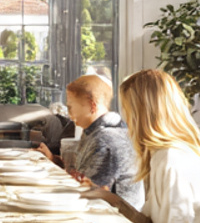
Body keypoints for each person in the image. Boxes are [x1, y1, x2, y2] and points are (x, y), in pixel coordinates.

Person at [82, 69, 200, 223]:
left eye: (128, 110)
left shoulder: (173, 160)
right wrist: (111, 199)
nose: (127, 120)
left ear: (143, 114)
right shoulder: (163, 154)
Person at [37, 73, 143, 211]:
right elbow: (82, 179)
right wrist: (53, 160)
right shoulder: (95, 131)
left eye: (70, 107)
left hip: (116, 217)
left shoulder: (106, 139)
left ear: (92, 106)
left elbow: (87, 194)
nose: (69, 114)